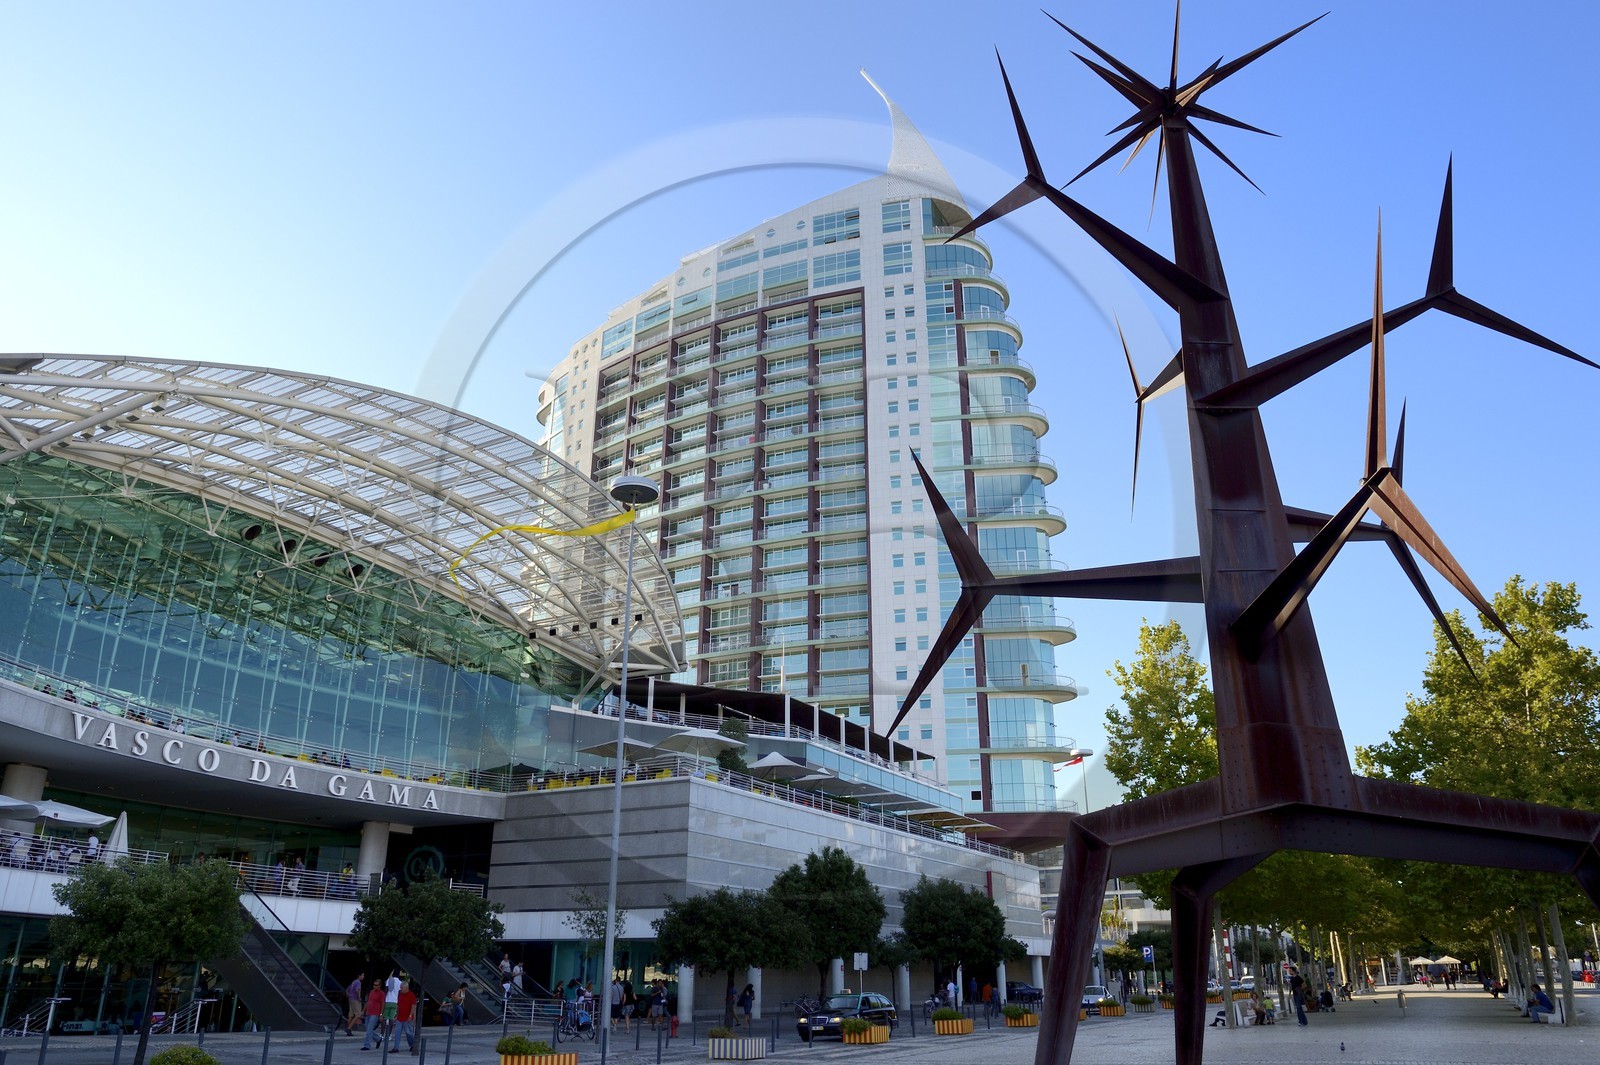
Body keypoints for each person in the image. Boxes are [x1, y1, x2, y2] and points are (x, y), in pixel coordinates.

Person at [390, 981, 418, 1053]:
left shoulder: (411, 995)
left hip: (407, 1018)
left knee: (409, 1033)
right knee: (397, 1033)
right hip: (400, 1017)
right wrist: (396, 1015)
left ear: (406, 987)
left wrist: (410, 1016)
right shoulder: (400, 994)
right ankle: (396, 1048)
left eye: (401, 987)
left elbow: (413, 1007)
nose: (400, 988)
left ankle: (412, 1045)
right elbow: (398, 1005)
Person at [359, 983, 385, 1050]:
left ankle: (367, 1045)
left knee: (369, 1029)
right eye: (374, 985)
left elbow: (382, 1004)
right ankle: (378, 1039)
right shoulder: (372, 992)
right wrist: (363, 1011)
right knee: (368, 1029)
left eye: (376, 985)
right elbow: (368, 1002)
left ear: (379, 986)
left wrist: (381, 1014)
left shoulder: (381, 994)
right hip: (369, 1012)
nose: (374, 986)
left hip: (375, 1013)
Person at [381, 968, 402, 1032]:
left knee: (384, 1018)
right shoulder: (400, 983)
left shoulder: (389, 980)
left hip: (388, 1001)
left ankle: (382, 1033)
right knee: (391, 1019)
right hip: (395, 1002)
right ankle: (389, 1034)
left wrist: (384, 997)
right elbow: (400, 993)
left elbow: (386, 990)